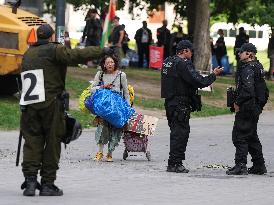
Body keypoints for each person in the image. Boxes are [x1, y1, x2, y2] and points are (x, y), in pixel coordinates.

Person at [19, 24, 104, 196]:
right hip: (50, 104)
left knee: (32, 142)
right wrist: (102, 51)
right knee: (52, 142)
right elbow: (76, 56)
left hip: (29, 105)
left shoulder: (28, 53)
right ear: (51, 37)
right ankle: (48, 185)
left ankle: (30, 182)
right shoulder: (54, 50)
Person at [161, 40, 223, 173]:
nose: (192, 53)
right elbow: (198, 81)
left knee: (175, 132)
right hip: (180, 104)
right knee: (181, 134)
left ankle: (174, 162)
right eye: (190, 50)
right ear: (184, 51)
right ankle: (175, 164)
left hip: (170, 103)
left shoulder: (167, 61)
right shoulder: (183, 64)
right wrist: (213, 75)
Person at [226, 43, 268, 175]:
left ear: (250, 54)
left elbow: (248, 90)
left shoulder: (248, 69)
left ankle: (240, 165)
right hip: (254, 106)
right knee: (251, 136)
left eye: (242, 52)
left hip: (247, 107)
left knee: (240, 136)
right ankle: (259, 165)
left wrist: (237, 102)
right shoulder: (258, 67)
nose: (239, 54)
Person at [91, 54, 130, 162]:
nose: (110, 64)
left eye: (112, 62)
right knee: (102, 127)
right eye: (107, 62)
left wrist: (128, 108)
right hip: (104, 105)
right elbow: (92, 89)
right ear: (104, 64)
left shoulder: (122, 75)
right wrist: (103, 86)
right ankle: (100, 152)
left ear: (115, 63)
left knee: (116, 129)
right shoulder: (100, 74)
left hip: (117, 106)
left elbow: (126, 92)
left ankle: (110, 153)